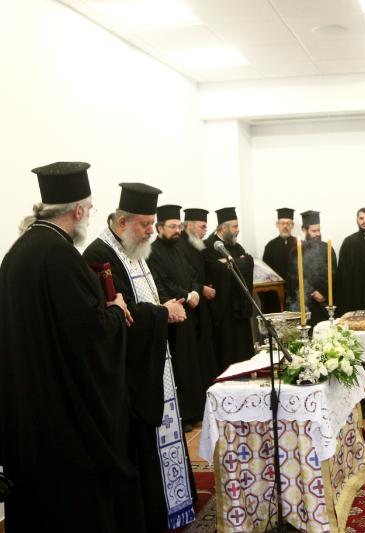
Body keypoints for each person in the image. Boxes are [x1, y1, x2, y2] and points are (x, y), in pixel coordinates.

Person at [0, 162, 145, 533]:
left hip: (27, 408)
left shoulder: (18, 252)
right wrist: (116, 312)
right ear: (78, 211)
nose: (90, 216)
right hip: (63, 415)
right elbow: (90, 335)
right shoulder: (61, 256)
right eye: (90, 209)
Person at [84, 183, 196, 531]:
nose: (151, 231)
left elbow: (141, 302)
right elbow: (122, 318)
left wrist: (163, 309)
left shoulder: (133, 249)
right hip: (130, 377)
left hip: (153, 365)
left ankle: (170, 507)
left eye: (152, 224)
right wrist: (163, 313)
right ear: (122, 222)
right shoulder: (99, 256)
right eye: (145, 224)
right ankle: (152, 516)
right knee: (141, 449)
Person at [147, 204, 209, 431]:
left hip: (189, 315)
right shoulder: (152, 252)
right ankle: (183, 416)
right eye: (172, 226)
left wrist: (195, 292)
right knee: (179, 367)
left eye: (178, 226)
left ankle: (196, 412)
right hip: (173, 316)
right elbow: (162, 282)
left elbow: (192, 274)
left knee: (192, 364)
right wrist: (187, 295)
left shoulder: (179, 249)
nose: (177, 231)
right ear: (159, 228)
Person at [204, 207, 255, 370]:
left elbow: (248, 262)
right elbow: (215, 270)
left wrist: (231, 264)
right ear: (223, 228)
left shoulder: (237, 247)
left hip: (240, 308)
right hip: (223, 309)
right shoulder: (209, 246)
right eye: (234, 226)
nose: (238, 230)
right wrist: (238, 263)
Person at [176, 207, 218, 385]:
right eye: (202, 227)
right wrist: (201, 289)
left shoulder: (198, 244)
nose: (205, 231)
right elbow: (184, 277)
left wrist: (205, 285)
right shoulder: (179, 246)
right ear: (190, 225)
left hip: (202, 305)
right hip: (189, 307)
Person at [286, 210, 336, 327]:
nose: (317, 234)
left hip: (323, 302)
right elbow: (292, 279)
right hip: (304, 303)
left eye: (319, 230)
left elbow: (334, 275)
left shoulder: (327, 248)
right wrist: (308, 294)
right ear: (305, 230)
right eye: (314, 231)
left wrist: (323, 293)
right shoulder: (295, 251)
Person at [336, 207, 365, 314]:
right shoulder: (348, 241)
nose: (364, 221)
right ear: (357, 220)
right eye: (361, 218)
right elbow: (342, 271)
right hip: (354, 293)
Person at [261, 207, 296, 312]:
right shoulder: (270, 246)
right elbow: (265, 273)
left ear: (292, 225)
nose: (285, 226)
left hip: (295, 293)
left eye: (288, 223)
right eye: (282, 223)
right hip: (275, 295)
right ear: (277, 225)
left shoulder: (300, 245)